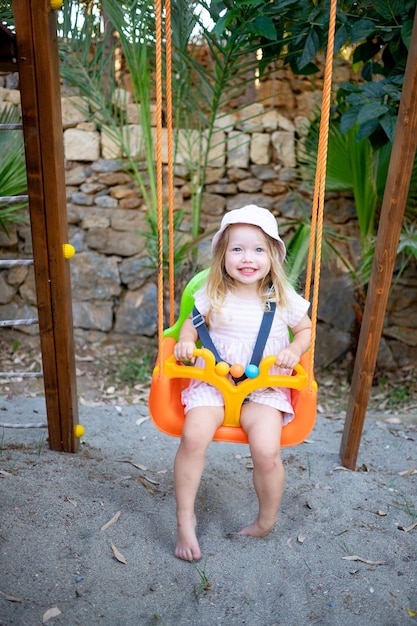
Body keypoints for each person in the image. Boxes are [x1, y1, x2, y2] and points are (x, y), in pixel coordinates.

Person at [173, 205, 312, 561]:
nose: (247, 258)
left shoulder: (281, 298)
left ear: (272, 256)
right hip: (214, 384)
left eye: (257, 250)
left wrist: (295, 349)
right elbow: (191, 322)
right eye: (237, 249)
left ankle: (266, 520)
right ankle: (185, 519)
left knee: (267, 452)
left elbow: (305, 329)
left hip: (264, 388)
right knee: (192, 437)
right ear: (223, 255)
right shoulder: (212, 292)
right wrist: (186, 341)